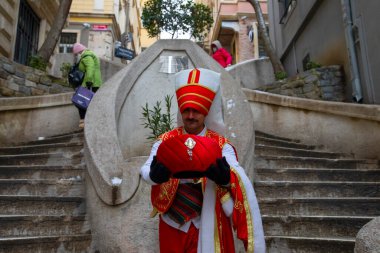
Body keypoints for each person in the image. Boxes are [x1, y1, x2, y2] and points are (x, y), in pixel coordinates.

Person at [140, 68, 265, 253]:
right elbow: (145, 170)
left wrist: (226, 179)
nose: (190, 116)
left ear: (205, 112)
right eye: (187, 110)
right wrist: (153, 176)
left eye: (196, 111)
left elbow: (237, 174)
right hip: (171, 223)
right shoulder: (165, 141)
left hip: (205, 222)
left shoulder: (222, 145)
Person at [72, 42, 102, 128]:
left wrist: (89, 81)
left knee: (80, 101)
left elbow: (90, 67)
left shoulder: (86, 56)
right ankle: (89, 121)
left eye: (77, 53)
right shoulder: (90, 54)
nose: (78, 55)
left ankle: (83, 121)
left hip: (90, 83)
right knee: (89, 102)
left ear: (79, 51)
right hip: (95, 82)